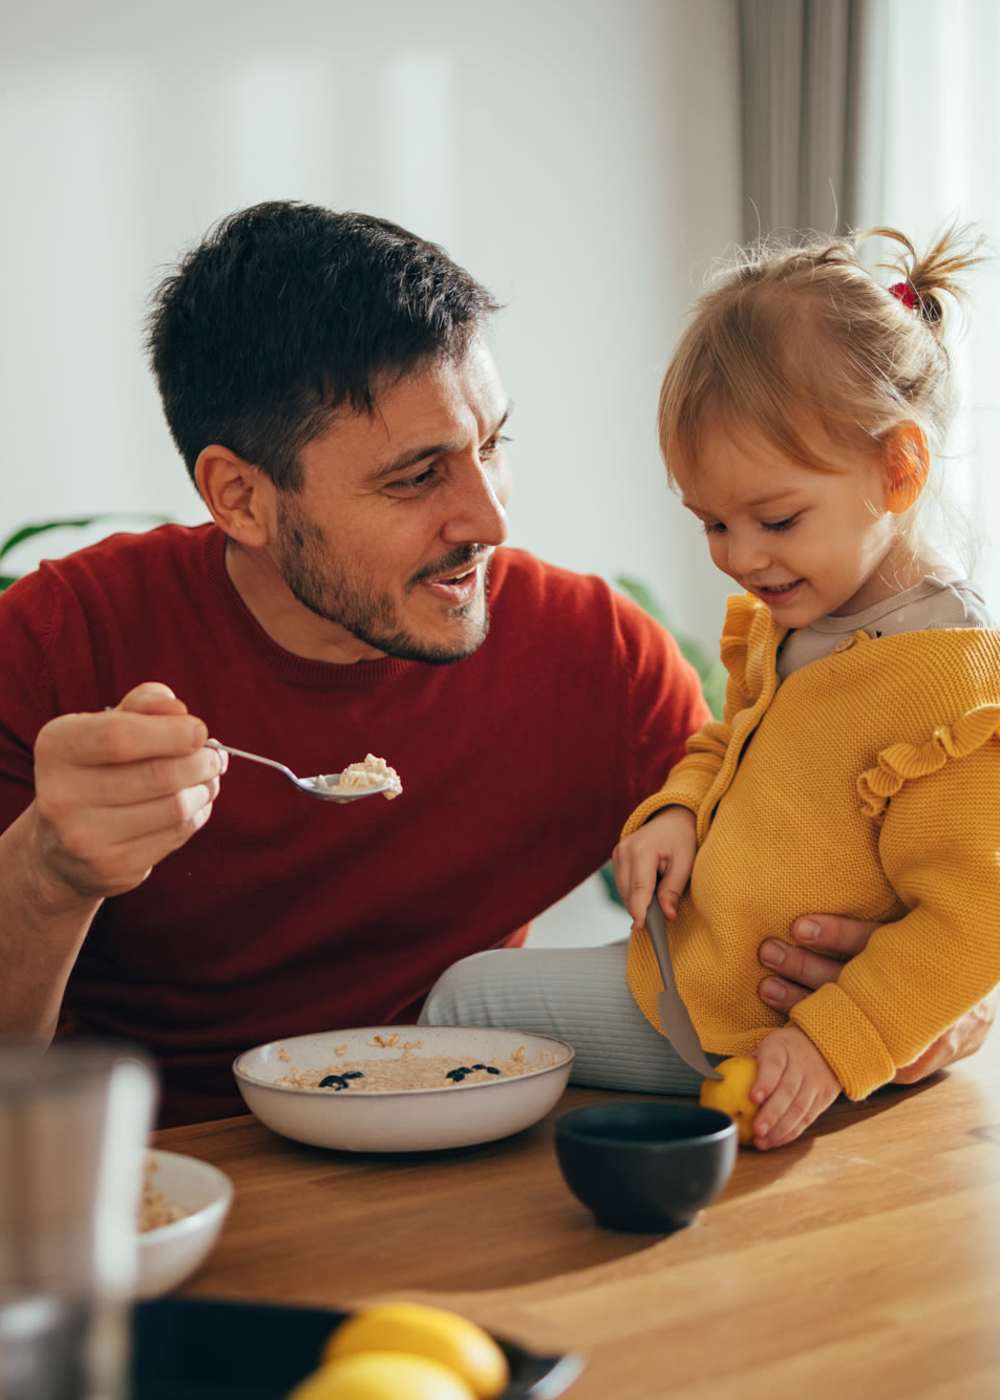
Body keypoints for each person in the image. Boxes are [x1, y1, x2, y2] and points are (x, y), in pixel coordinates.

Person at [0, 206, 987, 1128]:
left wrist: (925, 1017)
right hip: (162, 1186)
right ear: (242, 497)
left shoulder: (598, 659)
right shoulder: (61, 643)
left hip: (475, 1182)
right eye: (418, 474)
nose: (492, 520)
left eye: (493, 444)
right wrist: (49, 871)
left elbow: (904, 892)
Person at [422, 227, 1000, 1147]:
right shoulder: (802, 620)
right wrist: (677, 812)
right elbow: (731, 746)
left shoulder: (950, 682)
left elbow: (976, 922)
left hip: (755, 1027)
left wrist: (829, 1048)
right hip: (699, 972)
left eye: (773, 518)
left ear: (899, 469)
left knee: (464, 999)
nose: (740, 558)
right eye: (712, 524)